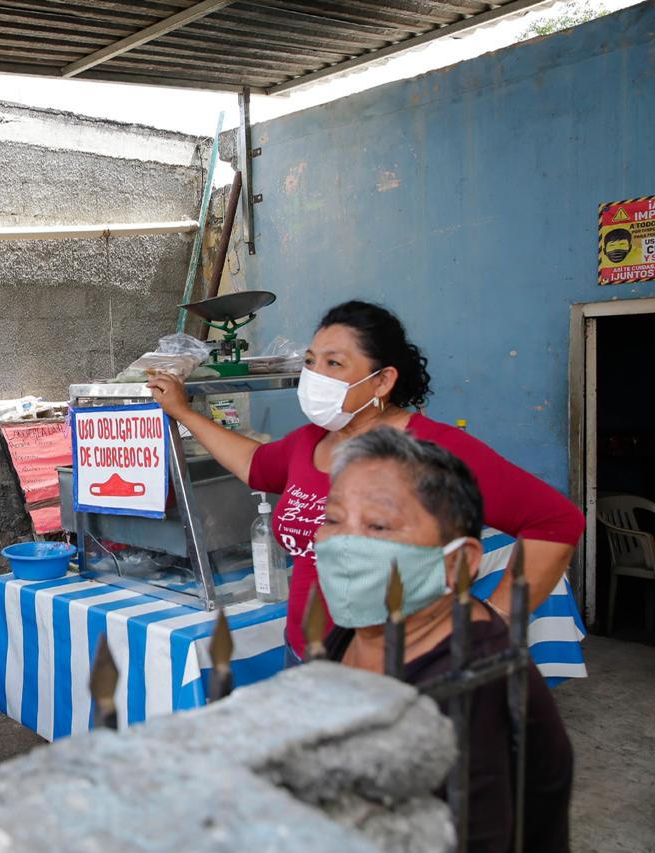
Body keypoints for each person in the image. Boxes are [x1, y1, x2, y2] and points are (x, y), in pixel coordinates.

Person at [148, 300, 584, 665]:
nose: (314, 376)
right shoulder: (311, 442)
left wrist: (496, 617)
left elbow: (555, 523)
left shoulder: (432, 450)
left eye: (334, 364)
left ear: (382, 380)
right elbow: (256, 465)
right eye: (311, 362)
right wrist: (185, 413)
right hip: (305, 656)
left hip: (397, 669)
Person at [313, 428, 572, 852]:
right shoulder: (361, 625)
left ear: (457, 562)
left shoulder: (470, 692)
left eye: (378, 525)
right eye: (333, 519)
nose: (343, 543)